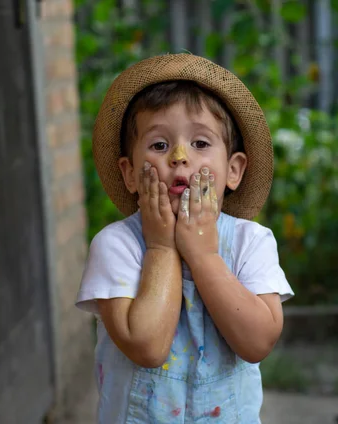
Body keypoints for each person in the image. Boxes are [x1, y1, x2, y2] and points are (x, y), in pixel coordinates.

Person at [76, 53, 294, 423]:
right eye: (159, 145)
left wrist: (205, 255)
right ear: (129, 174)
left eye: (201, 144)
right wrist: (161, 246)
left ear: (234, 170)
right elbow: (146, 346)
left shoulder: (250, 242)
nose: (179, 157)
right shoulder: (116, 246)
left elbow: (258, 342)